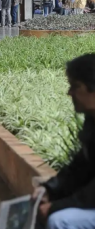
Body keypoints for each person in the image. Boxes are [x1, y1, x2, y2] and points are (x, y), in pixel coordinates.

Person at [33, 54, 95, 229]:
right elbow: (80, 166)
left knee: (60, 221)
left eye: (75, 86)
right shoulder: (91, 121)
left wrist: (57, 206)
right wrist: (49, 190)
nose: (69, 93)